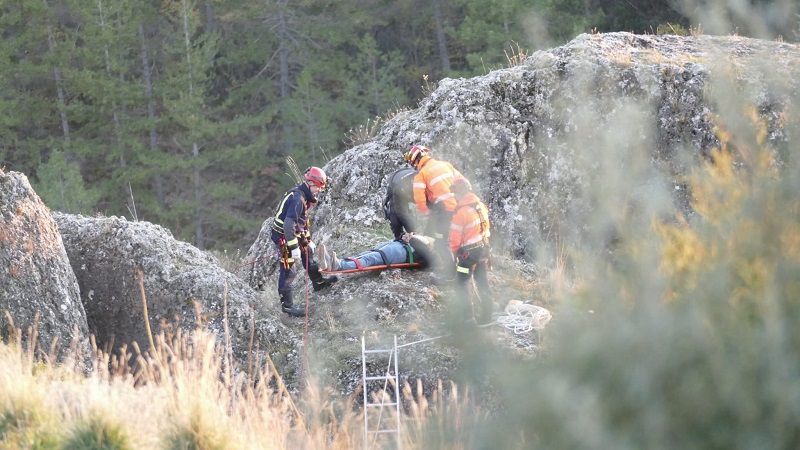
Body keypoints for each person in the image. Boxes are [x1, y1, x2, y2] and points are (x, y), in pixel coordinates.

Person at [270, 166, 338, 317]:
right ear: (311, 183)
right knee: (289, 270)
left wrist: (308, 240)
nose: (319, 190)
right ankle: (287, 307)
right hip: (283, 237)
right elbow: (288, 225)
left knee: (308, 255)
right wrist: (293, 247)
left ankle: (318, 283)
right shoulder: (298, 199)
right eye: (319, 187)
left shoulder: (304, 196)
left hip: (293, 233)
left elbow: (301, 221)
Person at [403, 144, 464, 270]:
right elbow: (464, 183)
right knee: (456, 238)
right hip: (460, 208)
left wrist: (427, 213)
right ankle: (461, 265)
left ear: (416, 160)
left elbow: (419, 200)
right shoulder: (446, 165)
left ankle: (447, 270)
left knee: (438, 240)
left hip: (444, 211)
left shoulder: (422, 174)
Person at [448, 177, 492, 323]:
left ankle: (468, 320)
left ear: (459, 193)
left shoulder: (461, 213)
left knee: (462, 283)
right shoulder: (480, 206)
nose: (454, 196)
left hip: (468, 256)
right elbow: (486, 228)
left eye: (455, 193)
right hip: (483, 250)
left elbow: (454, 240)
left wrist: (456, 254)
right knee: (482, 281)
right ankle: (488, 316)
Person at [317, 233, 436, 272]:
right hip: (395, 247)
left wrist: (411, 238)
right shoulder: (426, 240)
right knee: (364, 255)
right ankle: (332, 262)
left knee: (369, 259)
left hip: (398, 253)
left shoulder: (430, 251)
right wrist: (404, 236)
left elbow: (427, 258)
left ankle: (338, 265)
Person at [382, 166, 417, 239]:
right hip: (397, 186)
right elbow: (402, 214)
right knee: (396, 220)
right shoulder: (399, 189)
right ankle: (401, 236)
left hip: (405, 183)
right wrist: (412, 232)